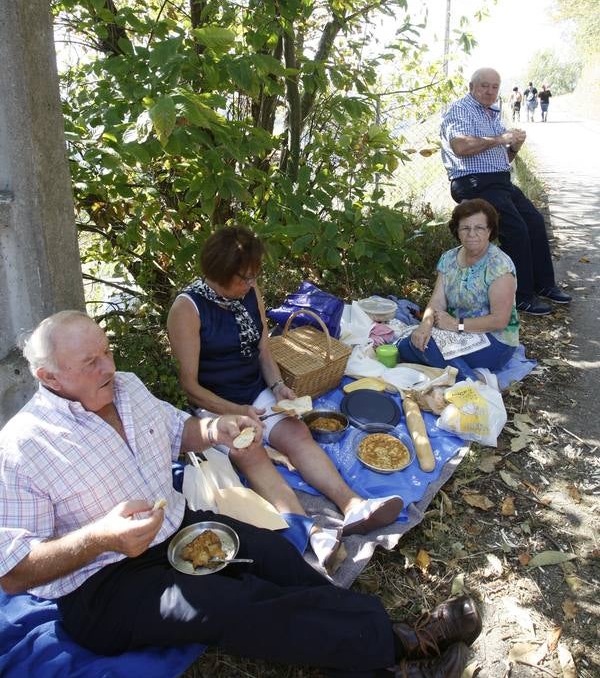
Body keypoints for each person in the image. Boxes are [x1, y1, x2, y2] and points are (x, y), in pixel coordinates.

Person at [0, 311, 481, 678]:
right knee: (231, 603)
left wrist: (216, 430)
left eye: (107, 350)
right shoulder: (23, 448)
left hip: (178, 527)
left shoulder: (125, 387)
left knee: (275, 557)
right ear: (50, 377)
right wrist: (100, 536)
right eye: (91, 362)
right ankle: (399, 653)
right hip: (104, 584)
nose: (108, 366)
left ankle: (380, 670)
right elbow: (14, 573)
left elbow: (175, 432)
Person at [167, 226, 402, 570]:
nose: (252, 283)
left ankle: (353, 506)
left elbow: (264, 348)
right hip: (215, 405)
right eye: (245, 278)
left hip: (254, 393)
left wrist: (277, 386)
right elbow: (190, 386)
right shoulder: (187, 309)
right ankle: (307, 531)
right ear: (219, 272)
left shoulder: (250, 291)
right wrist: (238, 412)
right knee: (251, 454)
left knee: (296, 432)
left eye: (254, 277)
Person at [440, 67, 571, 316]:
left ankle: (544, 284)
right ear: (472, 87)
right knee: (516, 228)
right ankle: (521, 297)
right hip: (473, 181)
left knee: (534, 221)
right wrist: (500, 138)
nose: (490, 91)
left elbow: (501, 159)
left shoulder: (491, 114)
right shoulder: (460, 110)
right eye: (484, 86)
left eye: (494, 87)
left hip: (499, 181)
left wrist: (514, 147)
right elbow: (459, 146)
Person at [397, 200, 519, 379]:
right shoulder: (449, 258)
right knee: (406, 345)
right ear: (458, 231)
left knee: (427, 347)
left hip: (494, 341)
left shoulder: (499, 265)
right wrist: (425, 326)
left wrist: (456, 324)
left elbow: (500, 321)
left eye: (479, 228)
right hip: (454, 333)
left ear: (490, 231)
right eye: (465, 228)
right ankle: (456, 370)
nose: (472, 234)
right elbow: (437, 301)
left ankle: (470, 384)